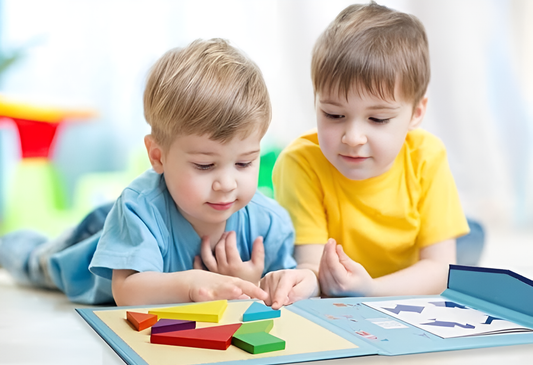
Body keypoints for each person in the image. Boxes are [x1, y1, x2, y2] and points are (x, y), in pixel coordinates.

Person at [0, 38, 296, 305]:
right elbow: (127, 290)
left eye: (244, 163)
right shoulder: (139, 208)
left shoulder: (269, 223)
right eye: (205, 165)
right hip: (95, 242)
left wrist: (251, 282)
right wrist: (191, 285)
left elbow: (289, 286)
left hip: (128, 219)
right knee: (36, 261)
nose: (227, 184)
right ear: (158, 156)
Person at [261, 2, 483, 308]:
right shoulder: (299, 163)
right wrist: (305, 282)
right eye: (334, 114)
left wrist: (370, 289)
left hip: (406, 269)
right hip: (370, 274)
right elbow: (310, 266)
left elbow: (440, 270)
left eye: (377, 120)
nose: (352, 138)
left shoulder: (427, 155)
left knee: (467, 255)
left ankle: (469, 233)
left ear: (416, 113)